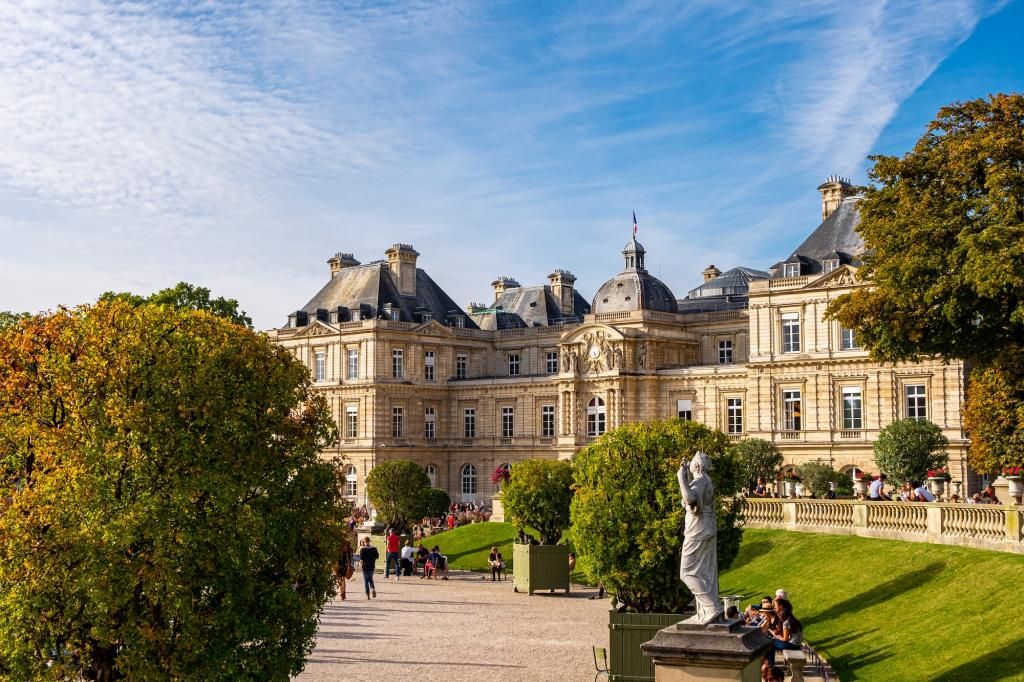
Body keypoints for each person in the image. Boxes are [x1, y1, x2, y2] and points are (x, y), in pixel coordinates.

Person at [765, 598, 803, 666]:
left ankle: (770, 666)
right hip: (797, 645)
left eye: (775, 605)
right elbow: (788, 635)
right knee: (771, 643)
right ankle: (769, 665)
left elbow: (785, 639)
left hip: (792, 645)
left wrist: (777, 636)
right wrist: (779, 633)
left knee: (770, 644)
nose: (774, 607)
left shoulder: (786, 622)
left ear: (781, 606)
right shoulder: (792, 619)